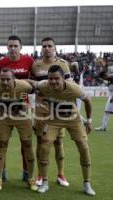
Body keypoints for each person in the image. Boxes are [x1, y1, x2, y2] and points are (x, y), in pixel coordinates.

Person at [35, 65, 95, 196]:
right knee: (44, 146)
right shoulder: (44, 85)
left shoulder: (73, 88)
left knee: (84, 147)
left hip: (73, 118)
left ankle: (87, 183)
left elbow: (88, 100)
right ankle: (44, 182)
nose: (53, 81)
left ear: (63, 78)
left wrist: (89, 121)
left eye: (57, 78)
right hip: (54, 119)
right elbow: (34, 86)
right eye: (50, 79)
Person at [30, 37, 71, 186]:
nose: (47, 48)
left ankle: (61, 174)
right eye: (44, 46)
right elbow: (32, 86)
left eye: (49, 46)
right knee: (41, 142)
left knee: (58, 142)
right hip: (41, 111)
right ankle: (40, 174)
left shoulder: (63, 65)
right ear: (41, 49)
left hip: (58, 110)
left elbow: (69, 87)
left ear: (55, 48)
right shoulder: (36, 66)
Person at [0, 35, 34, 181]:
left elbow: (34, 83)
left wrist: (29, 103)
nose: (12, 48)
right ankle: (1, 174)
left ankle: (27, 173)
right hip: (4, 108)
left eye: (15, 45)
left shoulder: (29, 60)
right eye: (10, 46)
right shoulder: (1, 63)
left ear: (20, 47)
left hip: (22, 107)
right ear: (7, 47)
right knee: (3, 142)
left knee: (26, 143)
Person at [0, 68, 38, 191]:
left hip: (22, 117)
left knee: (27, 145)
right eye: (2, 79)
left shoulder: (24, 86)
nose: (5, 82)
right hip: (4, 118)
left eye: (8, 79)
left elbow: (37, 89)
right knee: (2, 145)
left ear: (14, 79)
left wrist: (31, 108)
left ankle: (31, 178)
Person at [95, 63, 113, 132]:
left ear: (105, 75)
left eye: (103, 78)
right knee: (107, 112)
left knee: (107, 111)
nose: (103, 79)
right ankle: (103, 127)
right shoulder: (109, 78)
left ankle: (103, 127)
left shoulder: (111, 77)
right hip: (111, 96)